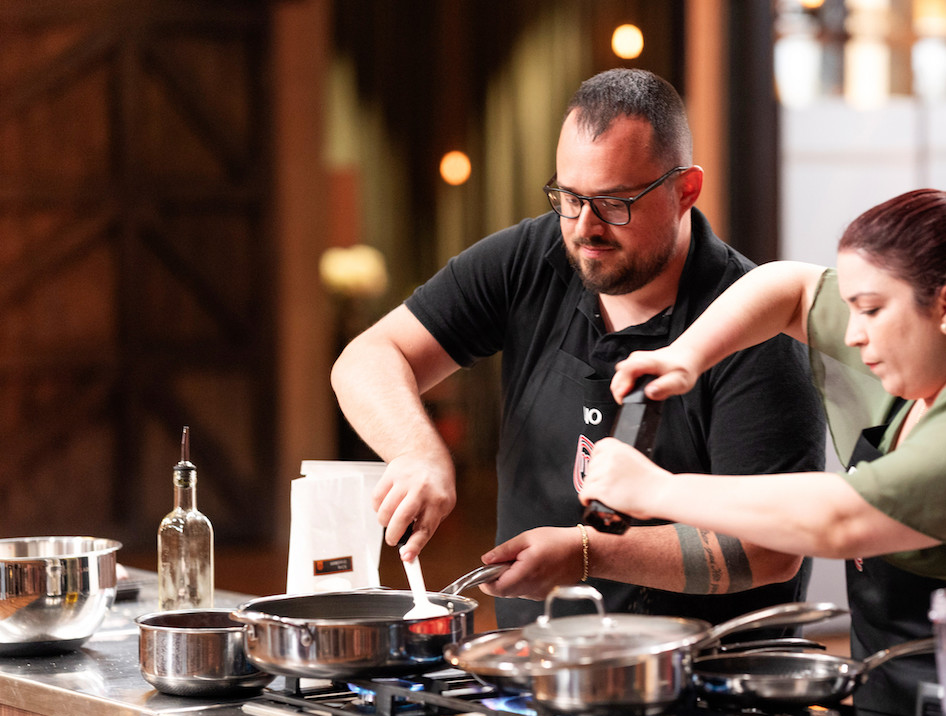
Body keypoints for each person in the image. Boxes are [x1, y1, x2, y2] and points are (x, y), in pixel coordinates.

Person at [581, 189, 946, 716]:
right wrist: (685, 356)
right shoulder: (923, 372)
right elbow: (793, 290)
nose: (852, 334)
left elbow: (844, 519)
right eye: (850, 308)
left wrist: (656, 489)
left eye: (871, 309)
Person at [330, 68, 826, 629]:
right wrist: (416, 450)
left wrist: (588, 553)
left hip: (699, 680)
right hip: (533, 666)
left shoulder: (754, 328)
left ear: (685, 190)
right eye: (569, 196)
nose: (585, 227)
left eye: (615, 202)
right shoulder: (530, 258)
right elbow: (369, 356)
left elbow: (772, 550)